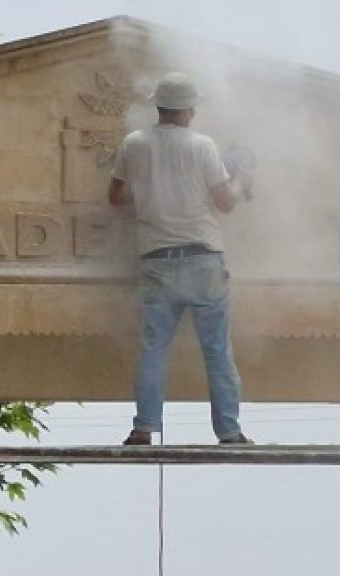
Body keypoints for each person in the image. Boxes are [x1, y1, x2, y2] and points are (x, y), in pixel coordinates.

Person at [108, 72, 254, 446]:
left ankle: (144, 427)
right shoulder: (202, 145)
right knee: (218, 352)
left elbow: (116, 197)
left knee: (154, 350)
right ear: (189, 110)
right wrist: (241, 175)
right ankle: (229, 430)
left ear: (158, 105)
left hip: (156, 257)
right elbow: (225, 202)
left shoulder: (134, 143)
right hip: (203, 256)